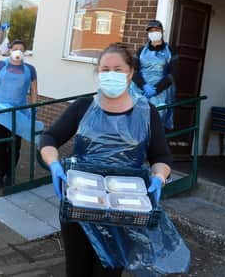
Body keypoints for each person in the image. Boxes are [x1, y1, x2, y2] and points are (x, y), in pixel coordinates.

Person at [39, 43, 189, 277]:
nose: (111, 75)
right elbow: (50, 137)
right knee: (77, 269)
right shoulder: (83, 106)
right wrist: (55, 165)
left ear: (130, 73)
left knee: (109, 272)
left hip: (124, 209)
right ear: (98, 73)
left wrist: (159, 177)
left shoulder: (146, 112)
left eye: (117, 69)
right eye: (105, 69)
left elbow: (161, 156)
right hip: (80, 205)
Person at [0, 40, 42, 190]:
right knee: (0, 145)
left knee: (15, 145)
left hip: (19, 114)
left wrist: (34, 107)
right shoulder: (0, 65)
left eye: (21, 50)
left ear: (25, 52)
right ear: (10, 50)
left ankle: (10, 174)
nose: (18, 52)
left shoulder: (30, 69)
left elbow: (33, 90)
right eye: (15, 49)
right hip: (1, 113)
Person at [131, 19, 178, 130]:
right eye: (150, 30)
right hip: (140, 91)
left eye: (156, 29)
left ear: (162, 31)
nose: (153, 32)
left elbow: (173, 74)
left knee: (156, 123)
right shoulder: (141, 51)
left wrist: (156, 89)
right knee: (137, 122)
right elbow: (134, 71)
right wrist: (144, 86)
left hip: (161, 94)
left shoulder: (170, 51)